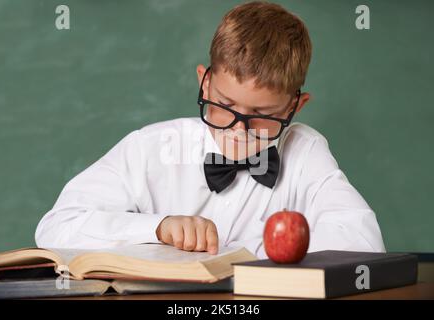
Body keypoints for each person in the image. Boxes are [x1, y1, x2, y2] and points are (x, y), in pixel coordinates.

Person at [35, 1, 385, 258]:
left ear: (295, 106)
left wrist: (239, 252)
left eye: (261, 114)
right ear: (204, 84)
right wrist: (157, 228)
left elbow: (364, 242)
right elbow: (55, 228)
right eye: (225, 106)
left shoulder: (306, 152)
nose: (238, 129)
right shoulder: (150, 147)